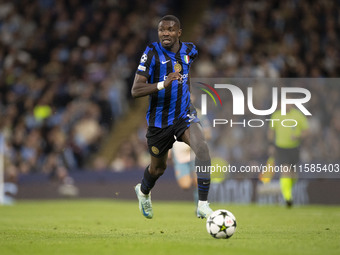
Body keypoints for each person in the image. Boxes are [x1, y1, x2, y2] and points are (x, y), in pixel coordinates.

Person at [131, 15, 213, 219]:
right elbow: (136, 89)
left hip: (184, 115)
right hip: (159, 122)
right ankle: (143, 192)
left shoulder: (190, 50)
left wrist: (187, 95)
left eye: (170, 29)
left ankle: (202, 204)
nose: (165, 33)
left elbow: (186, 74)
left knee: (202, 148)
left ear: (179, 32)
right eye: (161, 30)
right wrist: (163, 84)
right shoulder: (151, 53)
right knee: (158, 169)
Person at [268, 104, 309, 207]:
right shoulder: (276, 115)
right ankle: (287, 198)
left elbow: (307, 131)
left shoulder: (298, 115)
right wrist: (271, 145)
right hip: (281, 148)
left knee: (294, 175)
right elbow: (271, 131)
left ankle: (287, 191)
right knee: (285, 170)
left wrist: (298, 136)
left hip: (294, 148)